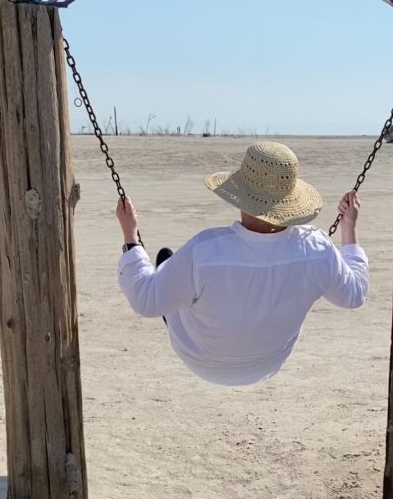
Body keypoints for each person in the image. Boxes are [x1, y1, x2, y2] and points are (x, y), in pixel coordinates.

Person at [116, 141, 368, 386]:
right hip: (269, 361)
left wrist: (130, 236)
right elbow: (354, 294)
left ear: (240, 196)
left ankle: (171, 282)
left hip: (200, 359)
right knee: (180, 271)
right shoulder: (317, 249)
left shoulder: (204, 251)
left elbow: (145, 301)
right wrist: (349, 228)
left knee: (168, 264)